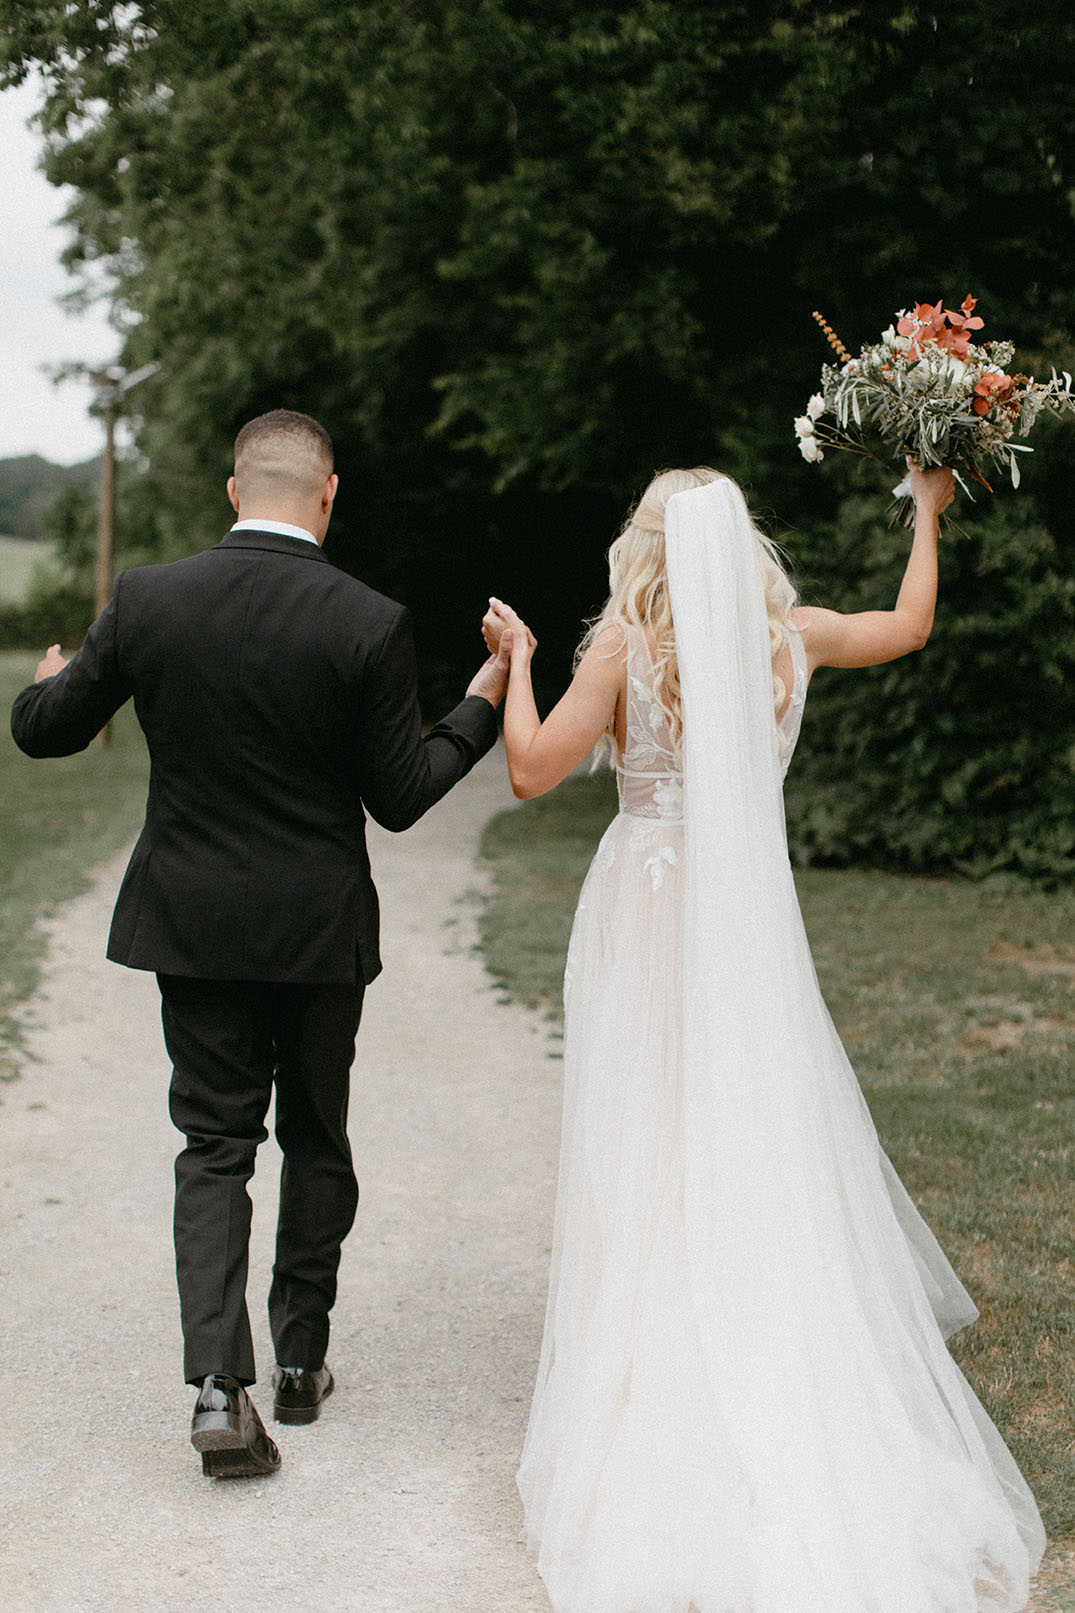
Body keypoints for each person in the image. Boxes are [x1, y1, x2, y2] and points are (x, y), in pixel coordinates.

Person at [483, 464, 1045, 1613]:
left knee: (645, 1134)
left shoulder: (620, 652)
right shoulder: (789, 639)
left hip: (645, 910)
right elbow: (911, 623)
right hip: (741, 917)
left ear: (644, 545)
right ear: (739, 541)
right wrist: (923, 517)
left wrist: (522, 667)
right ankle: (767, 1341)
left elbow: (533, 770)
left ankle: (655, 1368)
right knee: (751, 1130)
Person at [11, 409, 510, 1480]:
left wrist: (46, 678)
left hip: (193, 924)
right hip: (318, 928)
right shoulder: (369, 620)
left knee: (214, 1144)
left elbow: (48, 729)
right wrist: (479, 701)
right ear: (329, 495)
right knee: (317, 1136)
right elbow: (403, 796)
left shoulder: (149, 598)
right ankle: (300, 1361)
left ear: (234, 491)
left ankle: (214, 1387)